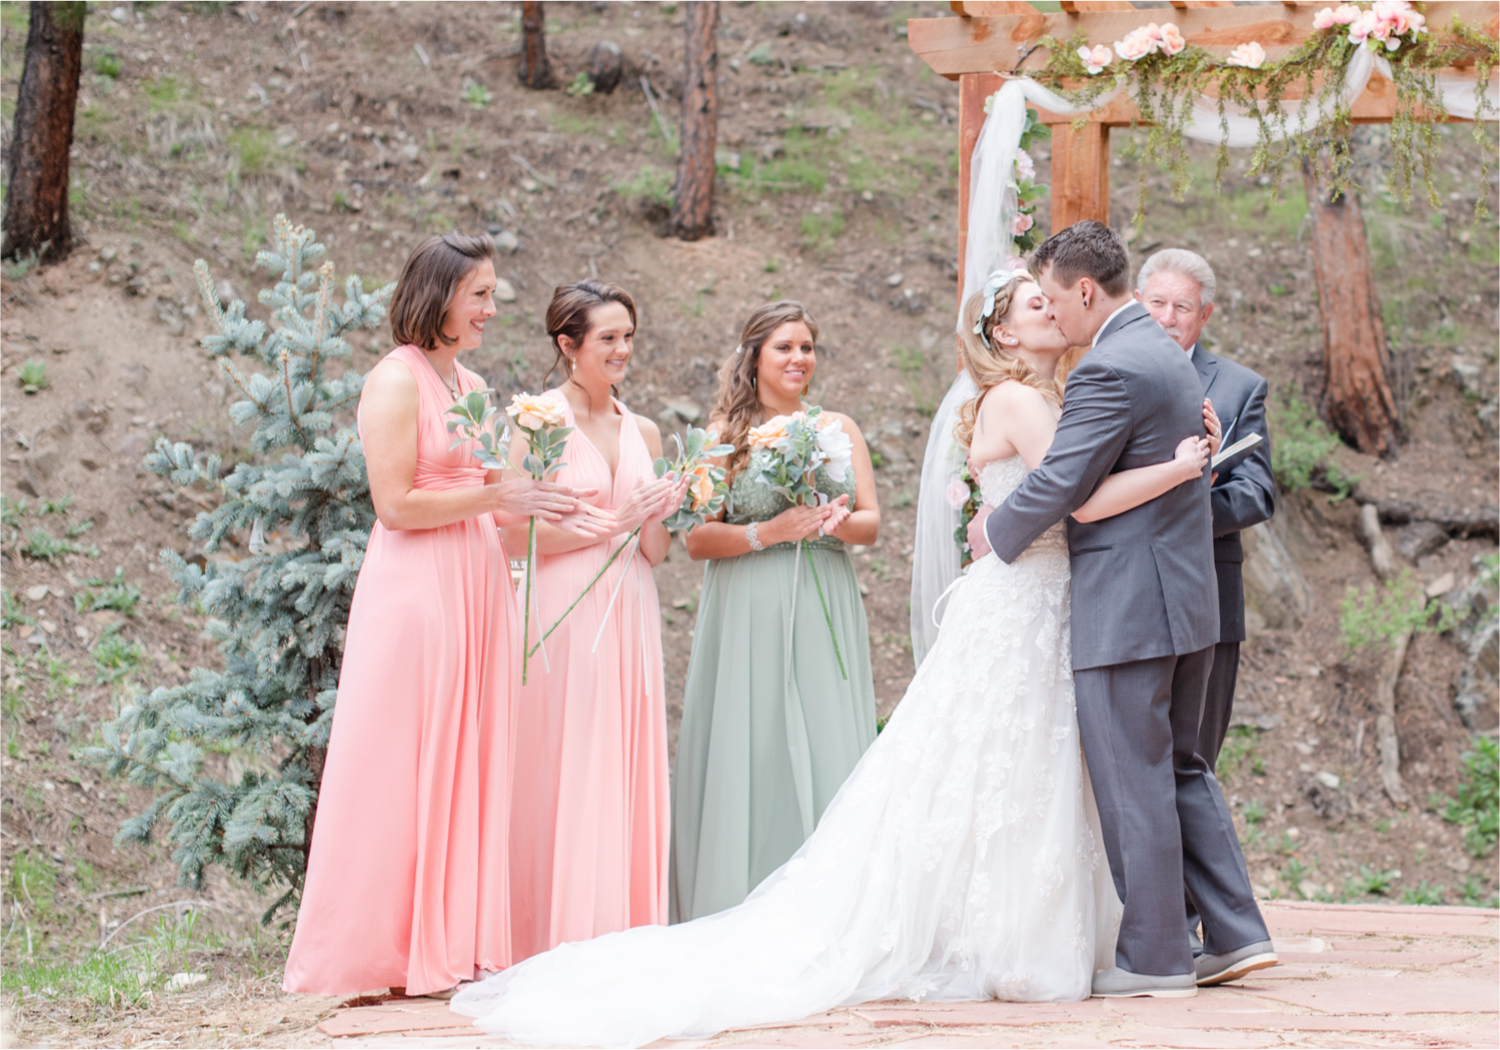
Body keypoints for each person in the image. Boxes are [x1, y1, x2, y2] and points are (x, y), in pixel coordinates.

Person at [449, 269, 1217, 1045]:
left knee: (1023, 770)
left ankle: (1050, 926)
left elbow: (938, 508)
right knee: (1006, 764)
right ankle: (1014, 936)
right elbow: (1074, 492)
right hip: (1005, 599)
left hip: (1035, 601)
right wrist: (1177, 464)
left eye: (809, 345)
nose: (801, 357)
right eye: (1034, 304)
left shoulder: (1037, 396)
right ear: (1004, 334)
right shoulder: (1016, 400)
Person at [283, 233, 604, 998]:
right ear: (441, 297)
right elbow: (394, 505)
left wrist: (547, 502)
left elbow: (499, 493)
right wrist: (496, 496)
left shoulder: (471, 383)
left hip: (475, 583)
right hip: (415, 590)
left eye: (493, 294)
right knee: (402, 757)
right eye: (481, 295)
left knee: (468, 756)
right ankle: (376, 950)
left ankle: (449, 944)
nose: (493, 308)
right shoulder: (394, 383)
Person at [972, 221, 1277, 998]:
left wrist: (994, 535)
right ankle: (1238, 934)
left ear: (1082, 290)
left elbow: (1063, 484)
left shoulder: (1109, 365)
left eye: (1052, 299)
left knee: (1132, 776)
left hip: (1129, 605)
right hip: (1183, 598)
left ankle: (1155, 957)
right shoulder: (1168, 356)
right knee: (1180, 769)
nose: (1054, 316)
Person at [670, 300, 880, 923]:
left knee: (824, 737)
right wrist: (771, 531)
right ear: (754, 356)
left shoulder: (837, 428)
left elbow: (870, 524)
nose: (798, 359)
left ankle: (830, 908)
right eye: (784, 347)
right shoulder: (721, 439)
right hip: (750, 607)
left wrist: (832, 523)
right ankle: (739, 897)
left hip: (823, 601)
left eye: (807, 347)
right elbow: (697, 540)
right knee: (754, 741)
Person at [505, 280, 688, 963]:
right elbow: (507, 535)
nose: (622, 350)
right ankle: (544, 936)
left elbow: (655, 552)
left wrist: (653, 513)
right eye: (608, 338)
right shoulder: (534, 422)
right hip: (560, 610)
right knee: (564, 761)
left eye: (628, 336)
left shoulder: (643, 429)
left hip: (631, 610)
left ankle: (619, 937)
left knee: (622, 758)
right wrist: (609, 522)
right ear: (567, 345)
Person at [1136, 248, 1275, 955]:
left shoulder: (1240, 387)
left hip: (1208, 600)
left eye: (1181, 307)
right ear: (1137, 304)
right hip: (1123, 595)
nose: (1166, 318)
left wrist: (1190, 501)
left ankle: (1192, 926)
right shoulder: (1107, 374)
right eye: (1156, 303)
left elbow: (1256, 493)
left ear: (1204, 315)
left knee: (1193, 758)